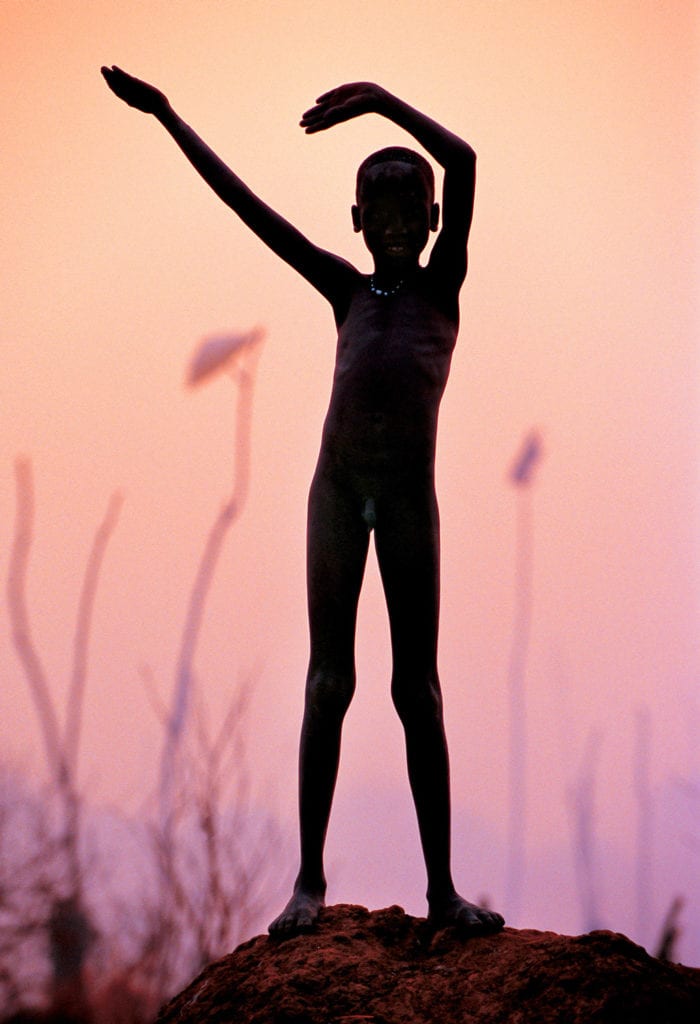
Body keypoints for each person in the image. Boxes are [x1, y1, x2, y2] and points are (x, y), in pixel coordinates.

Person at [101, 68, 505, 939]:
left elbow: (465, 160)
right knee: (329, 682)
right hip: (336, 491)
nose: (398, 227)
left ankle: (442, 891)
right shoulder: (345, 291)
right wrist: (171, 113)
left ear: (432, 221)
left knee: (416, 691)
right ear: (357, 224)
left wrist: (385, 101)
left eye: (413, 214)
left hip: (404, 501)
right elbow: (249, 209)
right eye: (381, 216)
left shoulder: (442, 289)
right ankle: (308, 883)